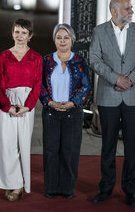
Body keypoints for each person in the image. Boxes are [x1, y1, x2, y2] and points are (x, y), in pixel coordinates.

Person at [89, 0, 135, 207]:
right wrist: (116, 78)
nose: (131, 11)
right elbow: (94, 59)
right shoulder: (99, 31)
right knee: (108, 146)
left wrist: (129, 80)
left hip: (133, 96)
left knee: (133, 147)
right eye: (127, 8)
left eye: (131, 8)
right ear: (114, 11)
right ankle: (106, 188)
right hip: (109, 97)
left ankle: (130, 190)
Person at [0, 19, 43, 201]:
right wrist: (8, 106)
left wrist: (27, 106)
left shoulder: (36, 58)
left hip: (26, 104)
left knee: (22, 144)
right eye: (16, 32)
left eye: (23, 33)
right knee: (7, 146)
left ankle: (21, 182)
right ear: (12, 33)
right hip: (7, 103)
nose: (19, 36)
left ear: (30, 36)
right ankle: (14, 184)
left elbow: (38, 84)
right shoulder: (3, 56)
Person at [40, 24, 91, 199]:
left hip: (72, 113)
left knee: (70, 151)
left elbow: (86, 86)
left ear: (72, 40)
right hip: (51, 112)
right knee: (51, 151)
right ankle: (51, 188)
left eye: (66, 37)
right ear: (54, 40)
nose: (62, 41)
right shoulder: (46, 60)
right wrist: (49, 102)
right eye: (59, 37)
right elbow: (39, 85)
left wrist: (72, 103)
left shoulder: (79, 61)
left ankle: (68, 188)